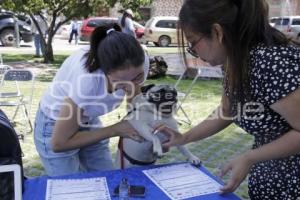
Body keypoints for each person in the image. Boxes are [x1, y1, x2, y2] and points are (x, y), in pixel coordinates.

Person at [156, 0, 300, 199]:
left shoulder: (268, 63)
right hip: (270, 181)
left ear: (217, 32)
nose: (193, 51)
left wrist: (250, 157)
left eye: (192, 42)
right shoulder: (234, 59)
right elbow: (228, 110)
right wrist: (184, 138)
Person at [34, 23, 149, 176]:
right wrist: (115, 129)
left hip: (88, 118)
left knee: (107, 179)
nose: (131, 85)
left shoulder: (139, 62)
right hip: (54, 124)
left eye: (138, 77)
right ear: (106, 72)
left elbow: (134, 104)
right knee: (71, 188)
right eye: (121, 82)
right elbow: (59, 143)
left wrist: (144, 125)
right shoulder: (88, 80)